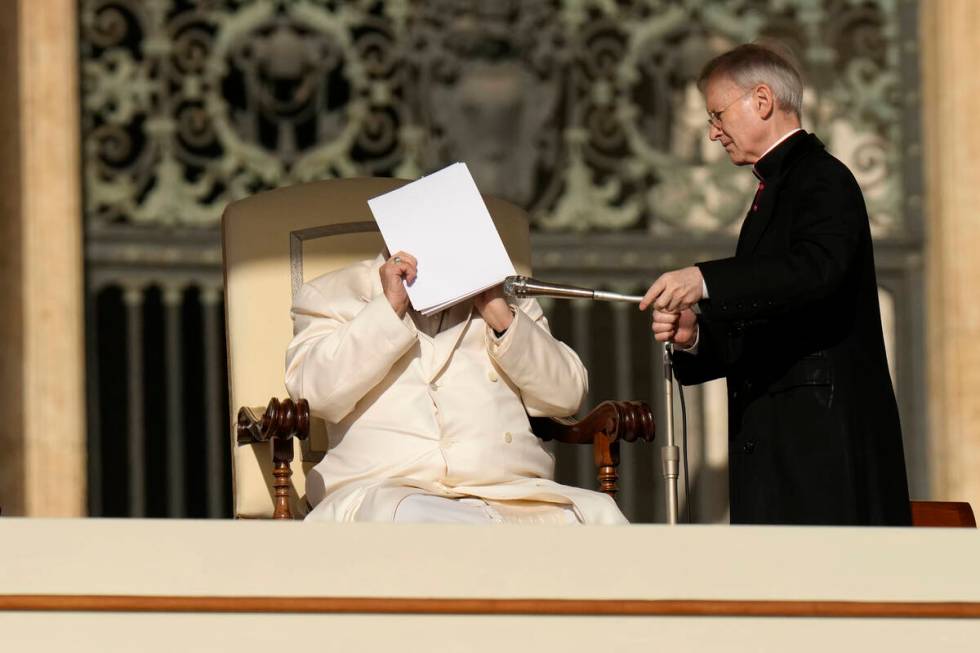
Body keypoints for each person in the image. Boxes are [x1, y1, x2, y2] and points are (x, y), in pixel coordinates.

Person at [639, 44, 911, 525]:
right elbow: (773, 322)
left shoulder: (823, 179)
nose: (712, 132)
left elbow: (815, 272)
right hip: (781, 447)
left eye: (718, 114)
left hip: (820, 449)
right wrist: (696, 335)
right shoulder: (776, 190)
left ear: (761, 100)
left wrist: (704, 280)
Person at [285, 250, 627, 524]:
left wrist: (501, 317)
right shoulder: (333, 293)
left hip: (513, 490)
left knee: (600, 516)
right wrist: (388, 309)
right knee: (412, 521)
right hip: (390, 488)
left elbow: (566, 396)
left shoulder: (506, 296)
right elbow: (314, 394)